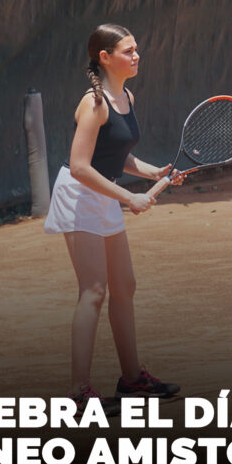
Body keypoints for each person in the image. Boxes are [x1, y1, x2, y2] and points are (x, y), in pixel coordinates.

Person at [44, 24, 185, 410]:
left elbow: (116, 155)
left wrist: (154, 172)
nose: (136, 55)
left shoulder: (127, 97)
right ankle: (78, 393)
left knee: (125, 285)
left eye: (136, 49)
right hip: (80, 196)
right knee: (94, 291)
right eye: (128, 50)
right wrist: (128, 197)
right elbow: (79, 166)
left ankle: (133, 380)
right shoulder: (94, 103)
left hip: (104, 193)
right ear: (104, 57)